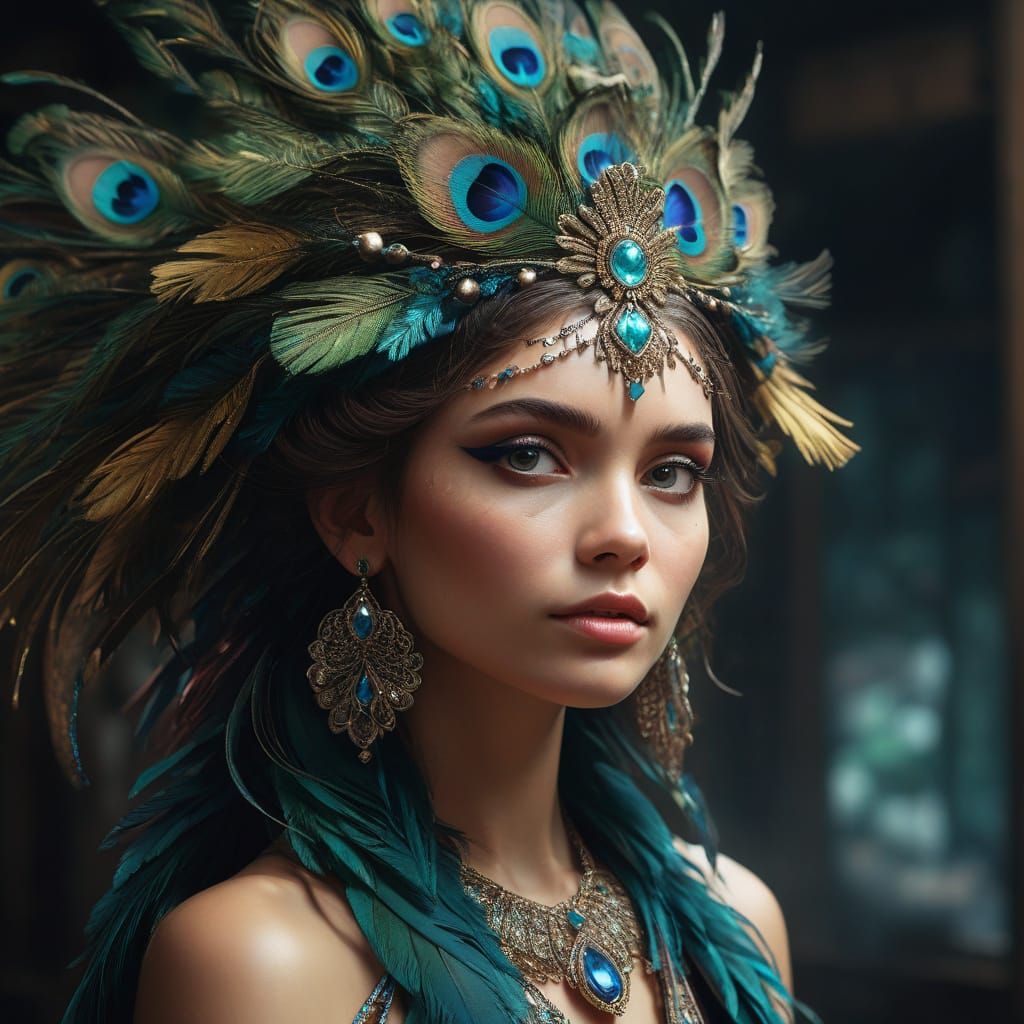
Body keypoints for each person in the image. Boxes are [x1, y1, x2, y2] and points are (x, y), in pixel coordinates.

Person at [0, 2, 857, 1022]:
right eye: (528, 456)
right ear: (357, 512)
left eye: (672, 472)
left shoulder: (740, 926)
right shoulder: (260, 965)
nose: (625, 535)